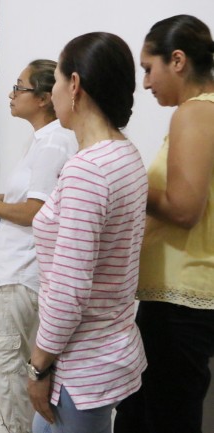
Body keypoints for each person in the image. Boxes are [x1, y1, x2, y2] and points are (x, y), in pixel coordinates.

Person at [28, 32, 148, 433]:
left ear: (75, 85)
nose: (55, 91)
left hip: (79, 367)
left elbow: (69, 291)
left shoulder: (87, 170)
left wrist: (38, 366)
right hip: (109, 351)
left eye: (58, 80)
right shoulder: (124, 153)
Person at [115, 15, 214, 433]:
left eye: (148, 69)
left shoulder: (195, 112)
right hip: (177, 297)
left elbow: (184, 208)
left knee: (165, 418)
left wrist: (126, 178)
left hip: (181, 300)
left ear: (177, 60)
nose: (146, 83)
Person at [0, 60, 77, 432]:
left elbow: (38, 210)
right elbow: (33, 197)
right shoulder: (43, 140)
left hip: (18, 275)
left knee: (0, 374)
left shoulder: (55, 140)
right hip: (8, 272)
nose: (12, 95)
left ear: (45, 98)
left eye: (20, 87)